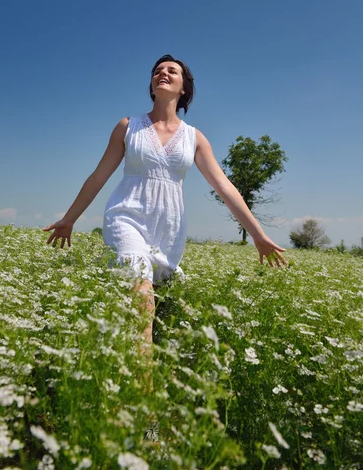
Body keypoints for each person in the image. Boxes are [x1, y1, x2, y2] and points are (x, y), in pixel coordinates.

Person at [43, 54, 287, 434]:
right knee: (142, 297)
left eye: (172, 71)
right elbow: (98, 175)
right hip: (127, 217)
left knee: (160, 308)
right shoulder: (128, 127)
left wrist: (258, 235)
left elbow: (224, 187)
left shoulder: (195, 137)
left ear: (183, 87)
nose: (163, 72)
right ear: (152, 83)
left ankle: (138, 375)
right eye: (158, 70)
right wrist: (70, 218)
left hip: (168, 231)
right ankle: (148, 420)